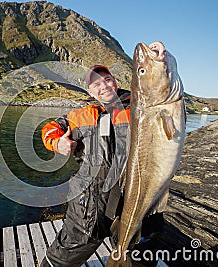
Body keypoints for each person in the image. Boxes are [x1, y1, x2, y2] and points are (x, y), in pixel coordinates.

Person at [40, 65, 132, 267]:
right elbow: (49, 129)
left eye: (107, 80)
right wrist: (57, 142)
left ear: (114, 81)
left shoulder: (139, 110)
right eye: (96, 84)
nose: (104, 86)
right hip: (90, 200)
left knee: (138, 252)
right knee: (64, 255)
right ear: (90, 92)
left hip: (132, 197)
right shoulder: (78, 116)